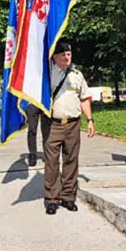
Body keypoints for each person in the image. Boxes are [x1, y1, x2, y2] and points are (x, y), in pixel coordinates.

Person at [44, 39, 95, 215]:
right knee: (52, 162)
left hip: (73, 123)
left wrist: (90, 120)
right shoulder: (47, 74)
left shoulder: (77, 74)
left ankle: (68, 197)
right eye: (63, 54)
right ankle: (51, 199)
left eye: (69, 53)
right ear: (55, 56)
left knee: (71, 160)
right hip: (53, 124)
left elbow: (84, 98)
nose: (67, 57)